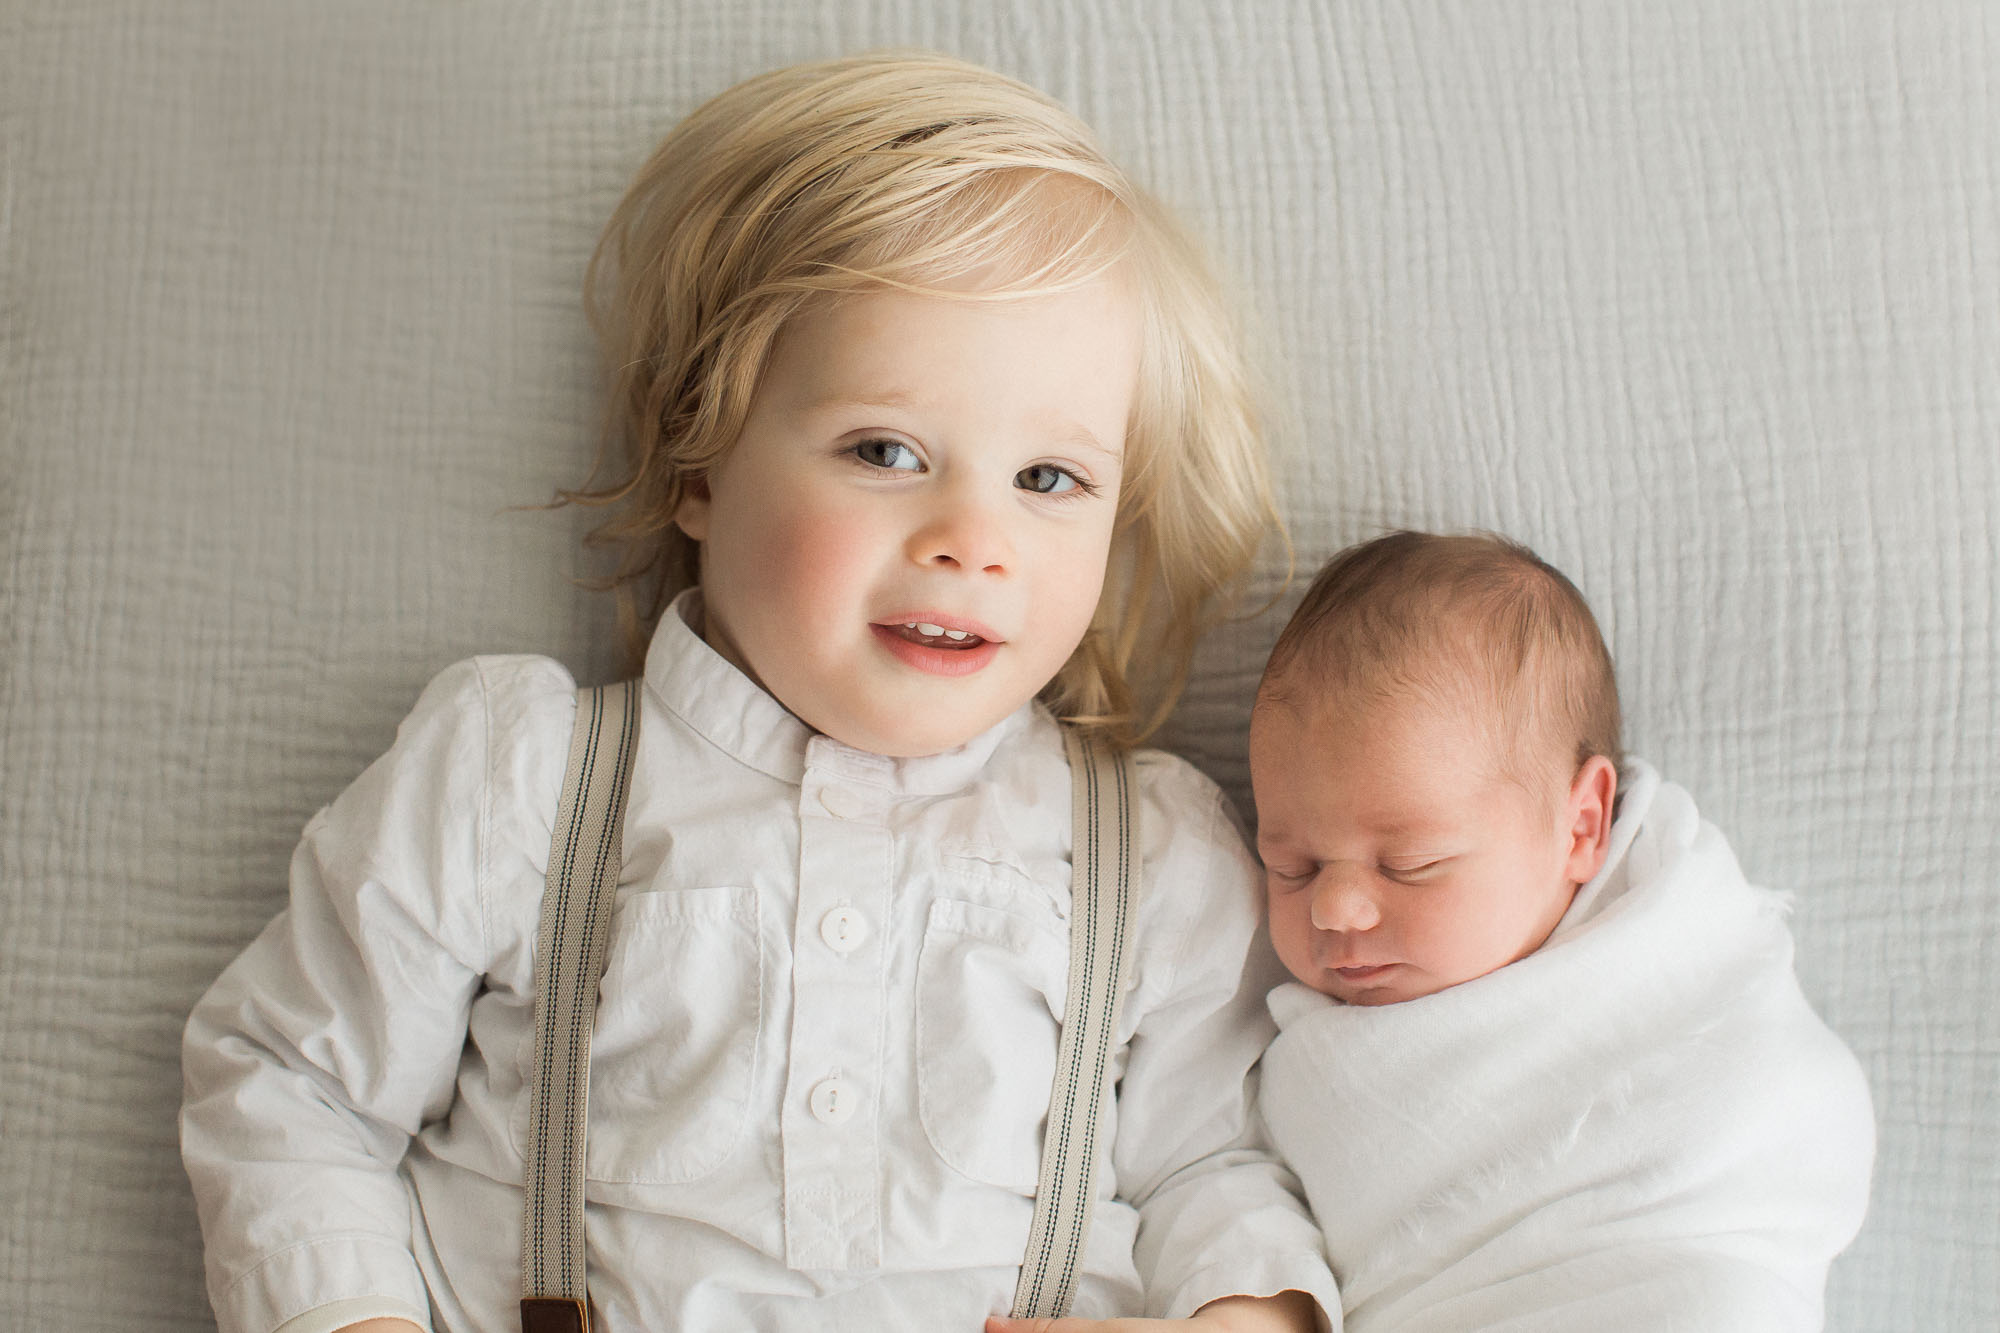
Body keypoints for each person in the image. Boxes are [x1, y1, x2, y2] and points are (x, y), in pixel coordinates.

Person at [178, 51, 1338, 1333]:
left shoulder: (1148, 854)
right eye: (884, 451)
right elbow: (295, 1087)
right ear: (697, 463)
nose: (972, 536)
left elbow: (1210, 1162)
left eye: (1049, 480)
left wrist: (1248, 1315)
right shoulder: (525, 774)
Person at [1246, 529, 1876, 1331]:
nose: (1334, 909)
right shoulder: (1281, 1035)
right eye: (1290, 864)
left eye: (1408, 864)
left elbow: (1778, 1105)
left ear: (1580, 827)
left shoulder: (1675, 958)